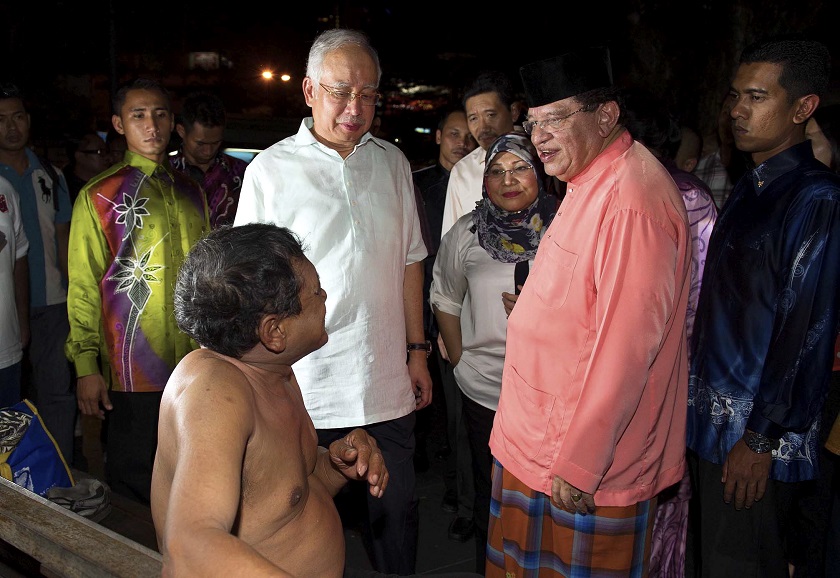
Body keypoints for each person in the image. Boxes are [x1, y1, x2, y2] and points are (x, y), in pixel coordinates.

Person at [233, 29, 432, 575]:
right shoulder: (269, 172)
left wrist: (417, 350)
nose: (354, 107)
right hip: (305, 385)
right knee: (299, 531)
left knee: (397, 524)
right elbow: (251, 286)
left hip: (384, 381)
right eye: (341, 91)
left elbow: (411, 261)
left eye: (368, 94)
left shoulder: (392, 164)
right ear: (308, 91)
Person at [487, 46, 692, 576]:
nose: (540, 137)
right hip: (536, 441)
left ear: (606, 116)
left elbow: (626, 350)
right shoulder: (590, 180)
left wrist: (581, 464)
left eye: (556, 119)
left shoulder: (632, 200)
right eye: (534, 123)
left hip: (579, 464)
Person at [687, 36, 840, 578]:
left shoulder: (813, 196)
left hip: (753, 437)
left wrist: (759, 437)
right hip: (709, 421)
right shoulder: (752, 184)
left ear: (803, 108)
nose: (737, 112)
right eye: (734, 96)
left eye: (756, 97)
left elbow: (805, 328)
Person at [65, 78, 210, 504]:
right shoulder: (99, 196)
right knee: (134, 477)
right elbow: (84, 287)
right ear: (119, 124)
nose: (152, 125)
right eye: (138, 115)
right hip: (133, 365)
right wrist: (86, 364)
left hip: (193, 360)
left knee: (190, 472)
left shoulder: (190, 191)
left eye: (161, 114)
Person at [431, 131, 558, 573]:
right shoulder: (467, 231)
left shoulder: (565, 230)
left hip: (551, 392)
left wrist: (540, 312)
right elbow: (445, 295)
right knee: (493, 490)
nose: (508, 180)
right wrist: (459, 358)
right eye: (496, 172)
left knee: (542, 494)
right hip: (484, 388)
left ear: (540, 172)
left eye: (520, 167)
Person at [620, 85, 718, 578]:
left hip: (667, 378)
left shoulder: (685, 196)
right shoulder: (622, 189)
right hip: (625, 377)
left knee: (662, 505)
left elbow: (697, 303)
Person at [0, 82, 76, 465]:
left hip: (50, 304)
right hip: (3, 312)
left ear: (28, 120)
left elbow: (62, 239)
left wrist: (72, 297)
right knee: (10, 399)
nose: (11, 127)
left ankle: (58, 473)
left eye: (17, 117)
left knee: (56, 392)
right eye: (1, 119)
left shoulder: (50, 174)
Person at [412, 107, 477, 540]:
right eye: (454, 133)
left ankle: (467, 493)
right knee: (449, 414)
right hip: (432, 308)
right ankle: (457, 490)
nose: (462, 141)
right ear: (438, 136)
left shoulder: (486, 180)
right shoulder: (419, 185)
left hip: (475, 311)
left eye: (468, 134)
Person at [439, 71, 523, 238]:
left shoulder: (543, 156)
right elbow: (451, 243)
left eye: (490, 115)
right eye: (473, 118)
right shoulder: (463, 172)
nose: (483, 128)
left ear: (513, 112)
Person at [170, 90, 248, 228]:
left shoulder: (242, 172)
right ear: (181, 131)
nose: (208, 151)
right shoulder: (166, 173)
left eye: (216, 143)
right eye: (201, 143)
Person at [0, 176, 29, 408]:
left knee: (10, 438)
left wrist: (23, 320)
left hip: (6, 346)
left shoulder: (5, 187)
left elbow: (20, 255)